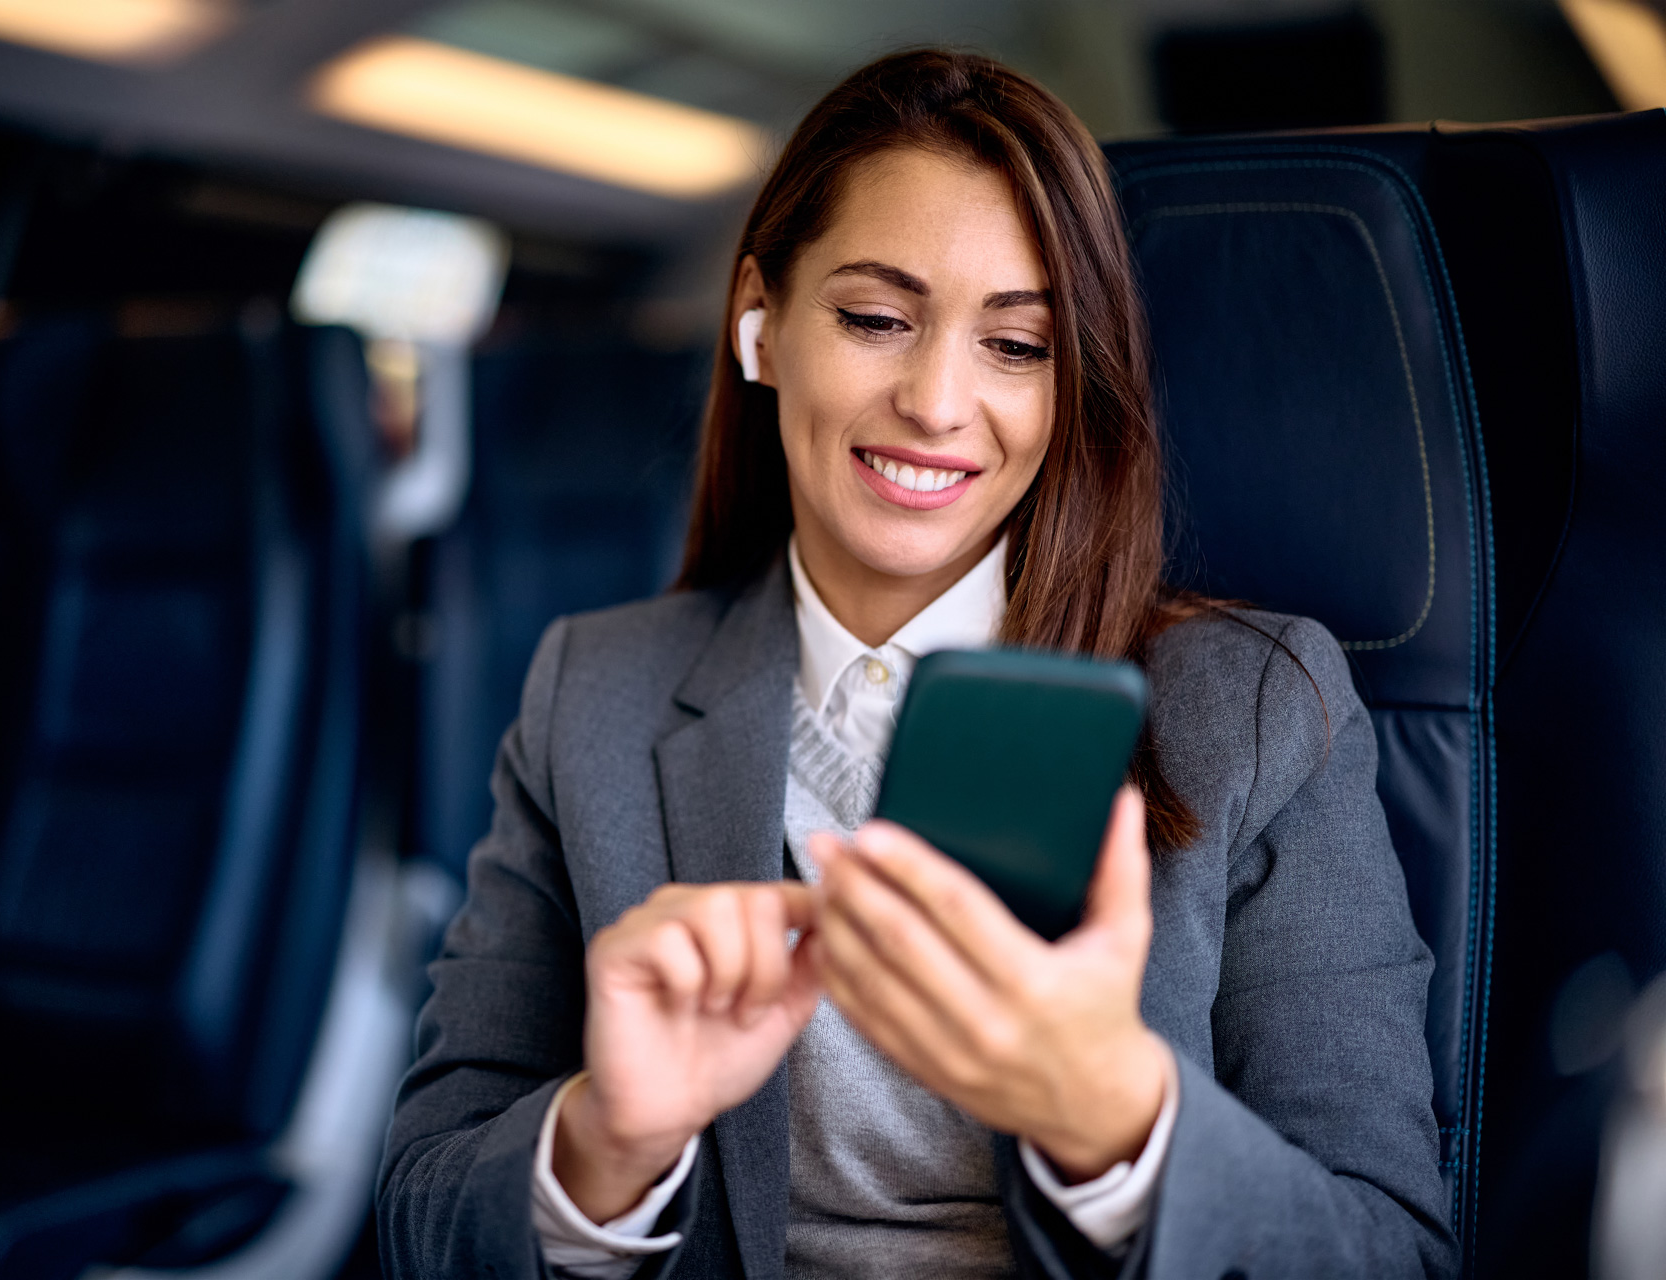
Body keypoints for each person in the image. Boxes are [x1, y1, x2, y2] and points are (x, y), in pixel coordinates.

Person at [380, 50, 1454, 1280]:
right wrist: (610, 1139)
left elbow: (1395, 1250)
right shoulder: (597, 690)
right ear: (760, 324)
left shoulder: (1258, 705)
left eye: (1017, 346)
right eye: (877, 319)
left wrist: (1114, 1117)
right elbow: (423, 1210)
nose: (939, 401)